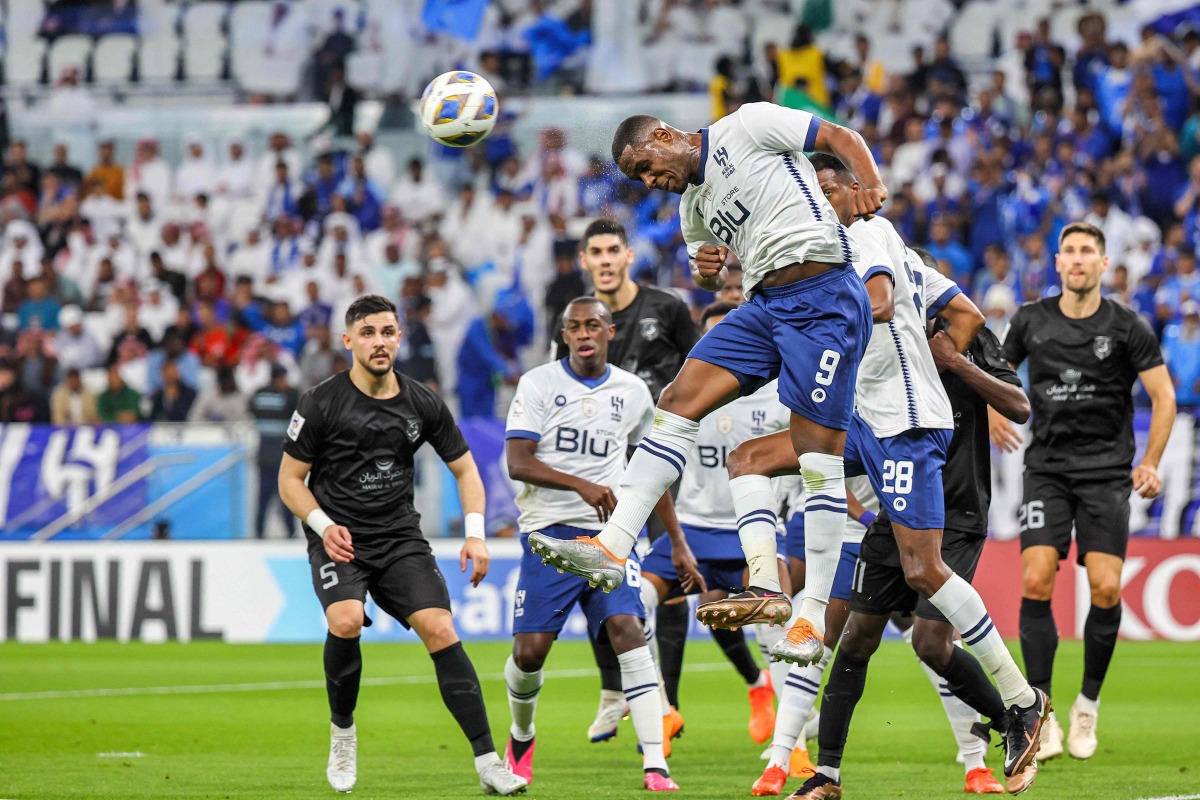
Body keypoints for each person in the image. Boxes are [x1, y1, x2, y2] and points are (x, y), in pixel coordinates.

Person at [529, 102, 885, 675]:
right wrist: (705, 268)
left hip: (824, 297)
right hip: (764, 306)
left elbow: (839, 135)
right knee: (676, 401)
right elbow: (706, 268)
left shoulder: (745, 125)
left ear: (667, 135)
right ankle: (612, 546)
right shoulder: (693, 206)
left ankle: (810, 616)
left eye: (648, 165)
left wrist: (869, 181)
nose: (652, 181)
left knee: (817, 457)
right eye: (642, 179)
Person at [729, 156, 1046, 795]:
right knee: (751, 460)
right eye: (809, 193)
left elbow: (876, 304)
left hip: (903, 427)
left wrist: (935, 365)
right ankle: (825, 771)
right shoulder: (880, 247)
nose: (819, 203)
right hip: (871, 428)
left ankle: (1020, 701)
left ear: (855, 191)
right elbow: (966, 314)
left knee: (927, 588)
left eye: (829, 190)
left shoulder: (866, 239)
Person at [768, 265, 1033, 799]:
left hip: (954, 512)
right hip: (894, 508)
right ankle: (827, 776)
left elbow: (1019, 406)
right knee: (857, 638)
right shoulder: (871, 336)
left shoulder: (967, 334)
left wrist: (956, 362)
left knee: (931, 642)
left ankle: (1015, 714)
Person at [277, 294, 526, 796]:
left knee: (440, 629)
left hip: (398, 538)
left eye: (388, 331)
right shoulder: (320, 402)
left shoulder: (422, 401)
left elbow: (465, 469)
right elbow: (289, 480)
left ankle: (488, 762)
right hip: (339, 538)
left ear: (400, 337)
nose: (379, 341)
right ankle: (343, 731)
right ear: (348, 341)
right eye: (367, 332)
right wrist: (323, 525)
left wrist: (475, 535)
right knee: (345, 620)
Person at [502, 297, 699, 792]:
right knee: (529, 654)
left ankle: (656, 764)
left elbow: (649, 474)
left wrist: (676, 542)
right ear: (564, 334)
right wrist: (581, 485)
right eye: (574, 327)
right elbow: (518, 462)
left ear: (611, 332)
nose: (584, 333)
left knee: (629, 631)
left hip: (612, 537)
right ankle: (521, 735)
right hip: (548, 534)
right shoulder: (539, 384)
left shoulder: (632, 392)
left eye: (594, 325)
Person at [998, 221, 1176, 762]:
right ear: (1057, 263)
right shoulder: (1030, 320)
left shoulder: (1126, 326)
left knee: (1104, 588)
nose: (1077, 260)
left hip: (1105, 472)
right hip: (1046, 469)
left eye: (1087, 252)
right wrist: (988, 410)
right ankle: (1041, 712)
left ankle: (1087, 707)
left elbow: (1163, 398)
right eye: (1069, 251)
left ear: (1103, 264)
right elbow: (994, 373)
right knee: (1035, 576)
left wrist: (1150, 462)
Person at [552, 218, 701, 745]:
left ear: (628, 255)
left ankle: (668, 704)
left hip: (662, 463)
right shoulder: (574, 319)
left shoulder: (668, 309)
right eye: (596, 251)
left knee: (667, 580)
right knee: (598, 576)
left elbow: (704, 369)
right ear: (585, 260)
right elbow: (559, 392)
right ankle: (617, 692)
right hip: (604, 472)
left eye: (614, 249)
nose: (607, 259)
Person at [635, 301, 790, 749]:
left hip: (753, 532)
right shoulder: (683, 395)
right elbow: (655, 466)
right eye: (712, 339)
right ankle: (661, 710)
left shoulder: (779, 395)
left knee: (773, 624)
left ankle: (791, 747)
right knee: (632, 605)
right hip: (694, 527)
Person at [251, 364, 300, 538]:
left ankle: (259, 533)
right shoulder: (289, 394)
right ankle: (289, 531)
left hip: (264, 454)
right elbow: (294, 412)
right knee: (284, 497)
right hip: (281, 456)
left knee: (263, 499)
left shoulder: (258, 394)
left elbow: (253, 411)